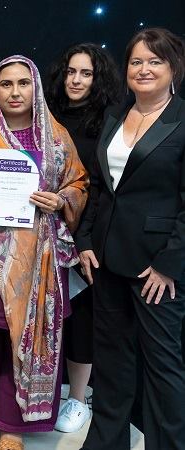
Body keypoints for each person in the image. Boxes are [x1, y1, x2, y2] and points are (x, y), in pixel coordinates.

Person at [0, 55, 88, 450]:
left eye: (23, 83)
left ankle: (12, 424)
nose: (15, 92)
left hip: (40, 259)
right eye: (6, 84)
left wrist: (59, 200)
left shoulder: (56, 139)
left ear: (35, 88)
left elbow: (80, 184)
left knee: (22, 334)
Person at [77, 27, 185, 450]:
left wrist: (169, 264)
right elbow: (101, 188)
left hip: (157, 267)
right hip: (106, 261)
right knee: (112, 364)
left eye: (154, 61)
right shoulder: (115, 116)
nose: (143, 69)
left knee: (162, 369)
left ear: (173, 67)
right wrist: (85, 240)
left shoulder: (181, 120)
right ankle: (105, 443)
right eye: (136, 61)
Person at [45, 42, 122, 434]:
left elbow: (104, 186)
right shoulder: (47, 115)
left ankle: (78, 397)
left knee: (82, 320)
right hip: (40, 232)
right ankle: (47, 393)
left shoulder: (111, 120)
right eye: (71, 71)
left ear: (98, 78)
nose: (76, 80)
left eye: (86, 73)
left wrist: (85, 238)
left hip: (84, 235)